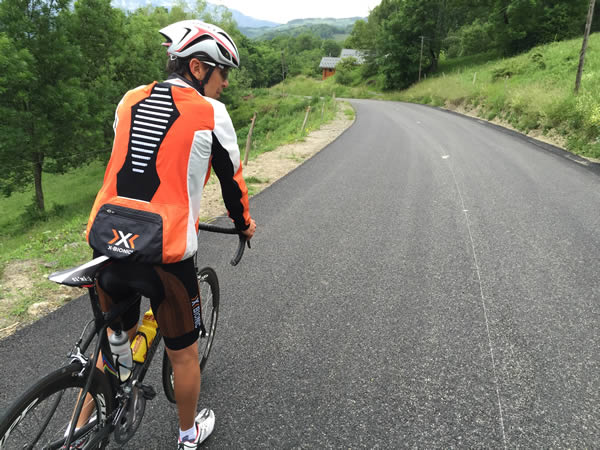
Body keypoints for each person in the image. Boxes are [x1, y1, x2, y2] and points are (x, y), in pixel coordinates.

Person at [83, 20, 256, 449]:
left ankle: (74, 433)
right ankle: (187, 434)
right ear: (198, 68)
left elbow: (137, 162)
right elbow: (231, 181)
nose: (226, 84)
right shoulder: (210, 113)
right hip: (166, 251)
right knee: (184, 353)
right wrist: (243, 224)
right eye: (223, 73)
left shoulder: (129, 99)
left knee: (107, 352)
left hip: (106, 238)